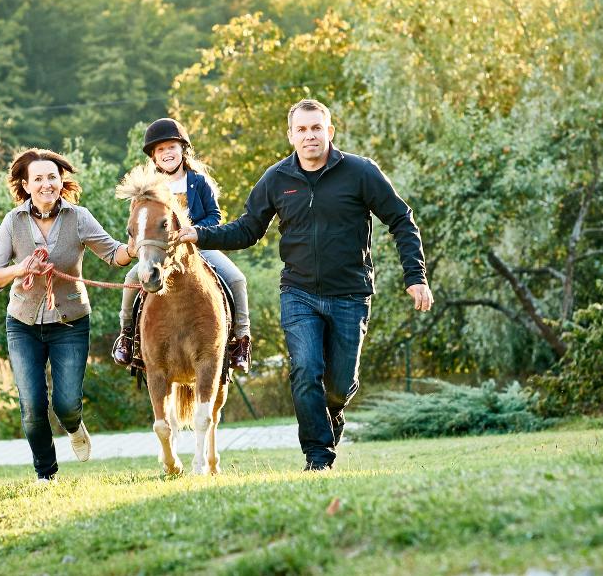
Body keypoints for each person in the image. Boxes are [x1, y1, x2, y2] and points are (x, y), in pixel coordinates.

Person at [178, 99, 433, 471]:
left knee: (339, 385)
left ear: (329, 132)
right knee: (305, 370)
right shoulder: (277, 179)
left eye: (316, 128)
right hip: (299, 293)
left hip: (351, 294)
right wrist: (199, 235)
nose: (310, 135)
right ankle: (318, 458)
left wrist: (415, 277)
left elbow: (401, 219)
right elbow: (247, 229)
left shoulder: (360, 172)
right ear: (291, 135)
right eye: (302, 129)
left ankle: (333, 414)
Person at [0, 148, 133, 482]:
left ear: (60, 180)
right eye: (38, 178)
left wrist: (135, 248)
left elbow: (114, 254)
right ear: (25, 184)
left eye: (52, 176)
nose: (46, 184)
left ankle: (74, 425)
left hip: (70, 322)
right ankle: (46, 475)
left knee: (66, 404)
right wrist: (19, 268)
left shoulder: (78, 217)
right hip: (22, 323)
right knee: (33, 406)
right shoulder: (13, 221)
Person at [111, 118, 252, 373]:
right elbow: (138, 221)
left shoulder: (199, 182)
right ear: (153, 157)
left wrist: (195, 232)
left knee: (237, 279)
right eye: (160, 150)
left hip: (199, 246)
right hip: (162, 252)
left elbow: (215, 216)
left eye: (171, 147)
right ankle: (127, 337)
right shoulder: (148, 189)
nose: (167, 153)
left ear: (183, 150)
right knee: (132, 279)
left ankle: (241, 340)